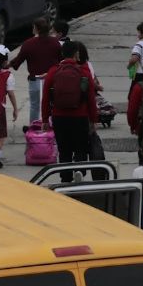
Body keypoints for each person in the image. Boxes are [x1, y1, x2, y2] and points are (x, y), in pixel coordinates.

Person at [42, 40, 98, 182]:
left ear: (62, 53)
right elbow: (91, 98)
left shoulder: (53, 71)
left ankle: (65, 177)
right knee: (80, 147)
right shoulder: (84, 72)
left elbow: (46, 98)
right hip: (80, 116)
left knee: (64, 149)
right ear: (76, 54)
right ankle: (79, 171)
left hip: (59, 117)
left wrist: (44, 119)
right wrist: (94, 119)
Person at [11, 18, 62, 123]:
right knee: (51, 104)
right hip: (51, 79)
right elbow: (61, 61)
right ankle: (51, 126)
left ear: (36, 29)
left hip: (35, 80)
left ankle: (34, 127)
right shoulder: (56, 43)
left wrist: (8, 64)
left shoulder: (28, 44)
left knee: (35, 105)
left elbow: (18, 61)